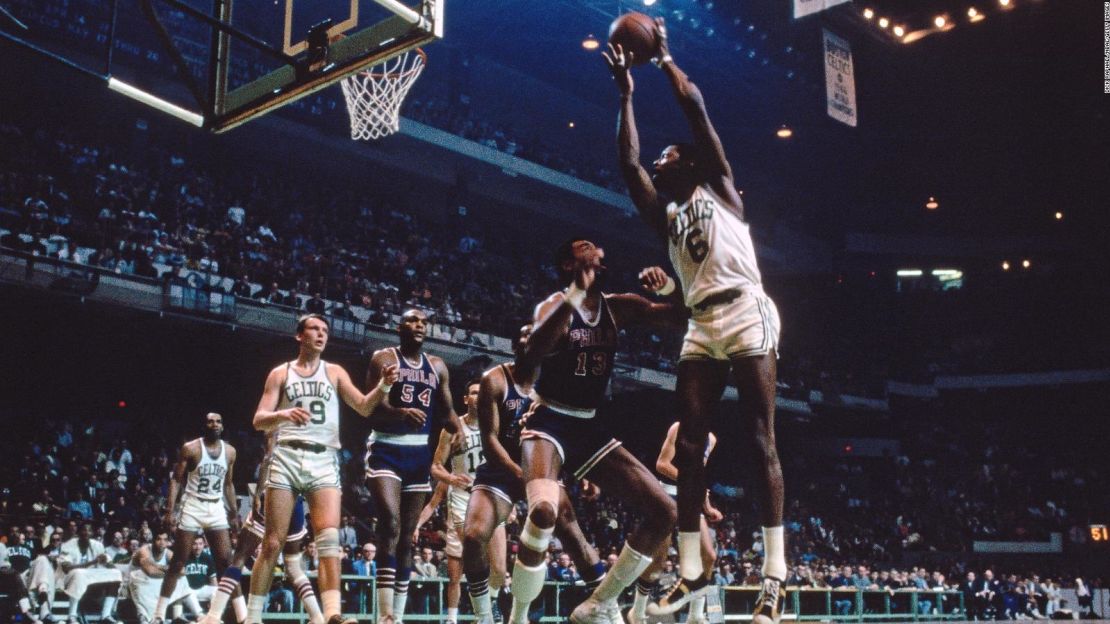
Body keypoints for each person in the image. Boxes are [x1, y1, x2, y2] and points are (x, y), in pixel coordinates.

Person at [604, 16, 786, 624]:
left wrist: (660, 59)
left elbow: (695, 107)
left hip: (745, 308)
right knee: (687, 445)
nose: (659, 161)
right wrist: (626, 95)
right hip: (702, 323)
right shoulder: (666, 218)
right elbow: (629, 164)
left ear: (689, 163)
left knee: (761, 436)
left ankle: (774, 577)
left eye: (667, 155)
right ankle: (689, 574)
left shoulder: (722, 189)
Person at [509, 238, 684, 624]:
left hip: (589, 425)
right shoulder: (553, 306)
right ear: (569, 264)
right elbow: (531, 357)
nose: (593, 247)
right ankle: (518, 614)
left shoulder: (618, 306)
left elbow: (683, 318)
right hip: (549, 419)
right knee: (542, 510)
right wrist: (574, 295)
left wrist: (671, 287)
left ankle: (600, 602)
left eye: (595, 246)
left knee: (665, 511)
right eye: (581, 246)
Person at [245, 313, 398, 624]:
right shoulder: (281, 373)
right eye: (314, 328)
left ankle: (332, 615)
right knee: (272, 541)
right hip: (288, 456)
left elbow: (364, 406)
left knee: (329, 539)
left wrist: (383, 385)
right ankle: (252, 616)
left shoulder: (335, 371)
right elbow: (259, 419)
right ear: (299, 336)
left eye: (325, 330)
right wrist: (284, 415)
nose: (321, 334)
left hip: (324, 459)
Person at [462, 324, 607, 624]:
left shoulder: (558, 381)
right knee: (474, 535)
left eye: (538, 338)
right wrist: (521, 475)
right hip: (502, 469)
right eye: (525, 337)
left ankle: (606, 606)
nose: (532, 343)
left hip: (544, 467)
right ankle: (484, 616)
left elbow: (573, 433)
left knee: (571, 531)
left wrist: (585, 473)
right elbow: (490, 441)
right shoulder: (496, 380)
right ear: (515, 346)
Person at [364, 308, 460, 624]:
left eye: (423, 322)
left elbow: (447, 413)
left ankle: (398, 616)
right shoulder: (382, 359)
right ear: (399, 326)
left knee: (407, 535)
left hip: (419, 456)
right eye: (412, 320)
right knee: (390, 522)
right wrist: (400, 412)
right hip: (385, 450)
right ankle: (383, 614)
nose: (419, 325)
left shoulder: (437, 366)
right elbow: (369, 411)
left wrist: (463, 431)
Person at [196, 439, 322, 624]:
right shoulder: (309, 437)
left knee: (238, 559)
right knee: (293, 566)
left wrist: (257, 494)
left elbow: (268, 459)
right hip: (297, 502)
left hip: (275, 495)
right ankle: (317, 617)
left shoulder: (280, 427)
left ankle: (214, 616)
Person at [154, 413, 237, 623]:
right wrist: (169, 510)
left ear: (223, 425)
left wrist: (234, 512)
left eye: (218, 421)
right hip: (193, 504)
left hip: (216, 505)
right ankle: (158, 615)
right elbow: (176, 480)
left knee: (226, 562)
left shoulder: (230, 451)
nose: (215, 424)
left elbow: (228, 484)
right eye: (211, 421)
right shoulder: (190, 448)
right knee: (178, 562)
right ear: (204, 425)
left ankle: (239, 616)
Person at [635, 420, 720, 624]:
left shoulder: (711, 439)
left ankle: (696, 616)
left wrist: (707, 506)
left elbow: (699, 476)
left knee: (708, 556)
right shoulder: (678, 428)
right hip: (668, 494)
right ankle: (637, 613)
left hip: (690, 498)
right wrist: (689, 479)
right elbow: (662, 464)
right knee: (657, 563)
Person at [417, 377, 486, 624]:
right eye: (474, 393)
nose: (478, 397)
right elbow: (435, 474)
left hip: (486, 498)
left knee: (491, 566)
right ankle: (452, 618)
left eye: (482, 392)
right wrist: (451, 478)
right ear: (465, 399)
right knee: (456, 573)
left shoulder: (494, 425)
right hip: (461, 497)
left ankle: (487, 612)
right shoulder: (453, 428)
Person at [129, 531, 201, 622]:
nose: (162, 542)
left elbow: (182, 570)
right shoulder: (144, 550)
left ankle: (198, 614)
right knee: (173, 577)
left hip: (153, 581)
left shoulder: (168, 552)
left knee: (181, 579)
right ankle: (148, 618)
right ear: (153, 540)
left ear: (168, 542)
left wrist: (162, 568)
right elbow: (150, 572)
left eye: (165, 540)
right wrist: (170, 571)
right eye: (159, 539)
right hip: (137, 581)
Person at [58, 523, 121, 624]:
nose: (86, 533)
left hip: (91, 579)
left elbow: (110, 565)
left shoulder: (98, 545)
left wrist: (107, 562)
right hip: (70, 578)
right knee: (79, 573)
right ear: (79, 532)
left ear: (92, 533)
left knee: (116, 574)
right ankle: (72, 616)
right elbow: (67, 568)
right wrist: (92, 562)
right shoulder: (68, 545)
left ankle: (105, 615)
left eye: (89, 530)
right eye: (84, 530)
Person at [183, 537, 218, 607]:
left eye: (200, 544)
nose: (197, 547)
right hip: (188, 590)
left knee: (217, 591)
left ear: (204, 545)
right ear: (190, 545)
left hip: (202, 588)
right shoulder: (185, 557)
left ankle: (214, 615)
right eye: (194, 544)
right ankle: (199, 615)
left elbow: (213, 579)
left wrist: (214, 598)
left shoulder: (208, 558)